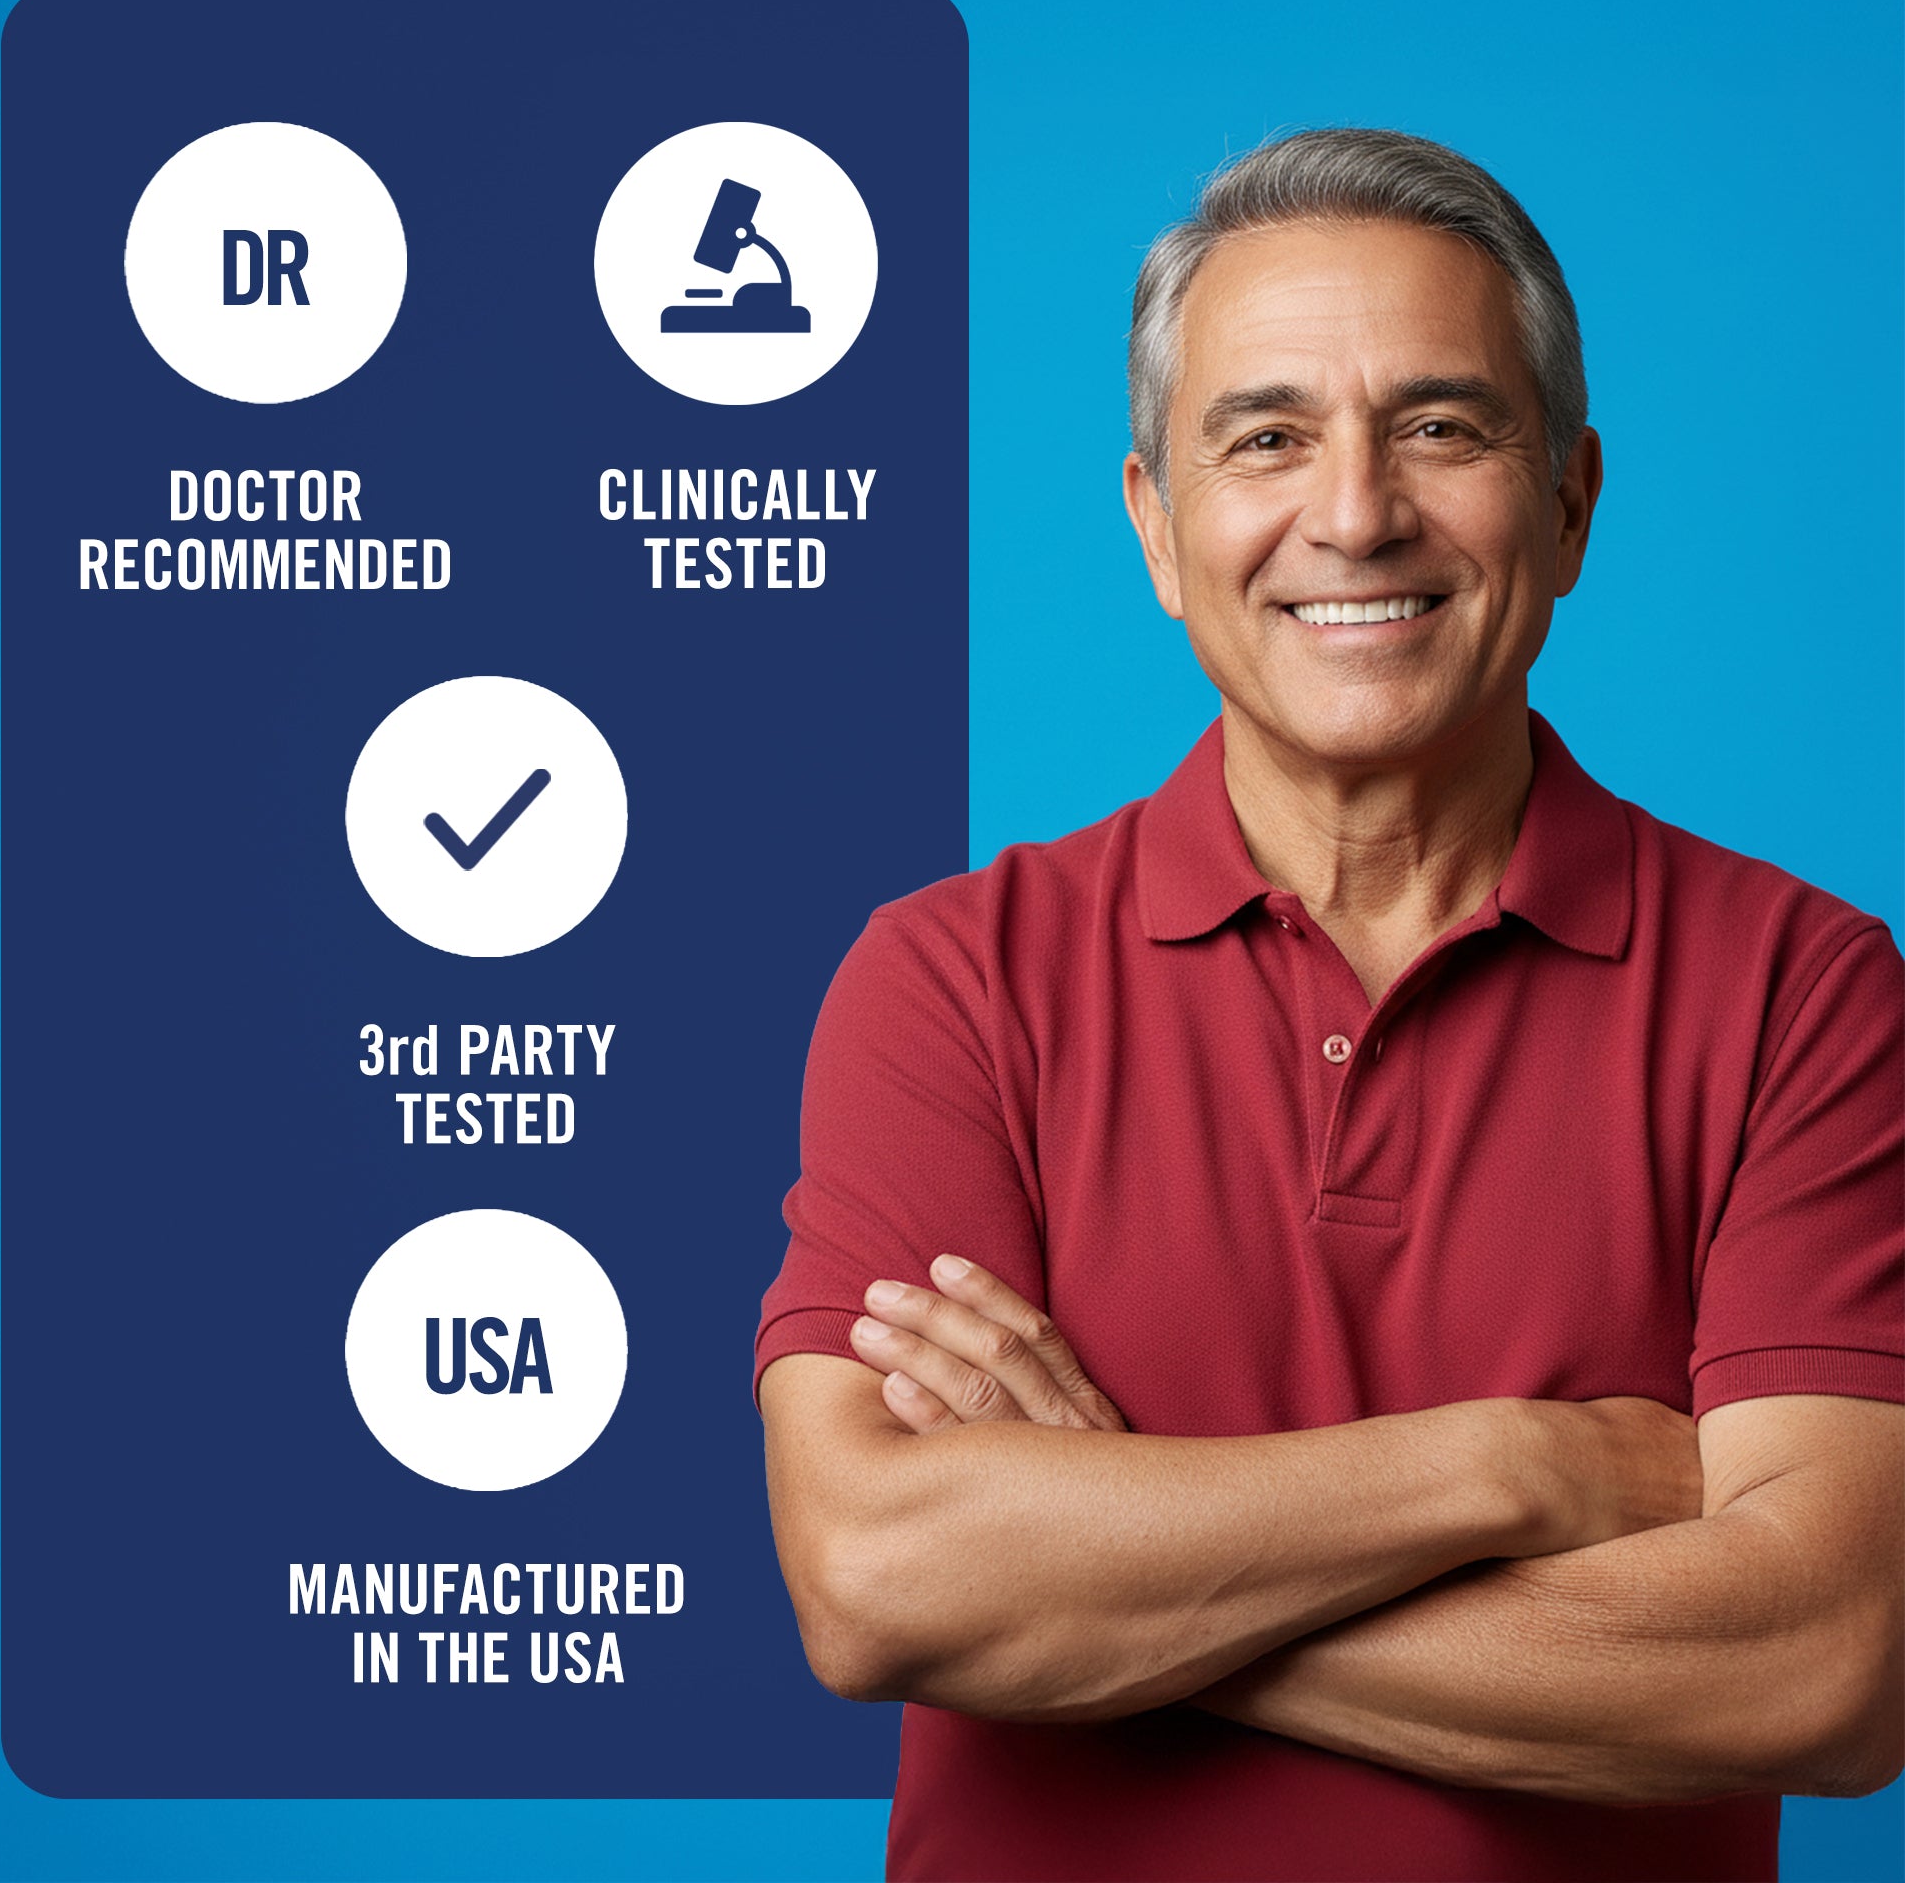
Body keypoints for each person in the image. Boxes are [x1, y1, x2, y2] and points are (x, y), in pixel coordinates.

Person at [754, 129, 1903, 1883]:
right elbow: (878, 1582)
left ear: (1574, 502)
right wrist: (1515, 1472)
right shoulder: (951, 982)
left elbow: (1826, 1664)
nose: (1354, 512)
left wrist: (1111, 1583)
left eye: (1442, 427)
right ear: (1156, 523)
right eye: (1266, 438)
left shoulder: (1801, 994)